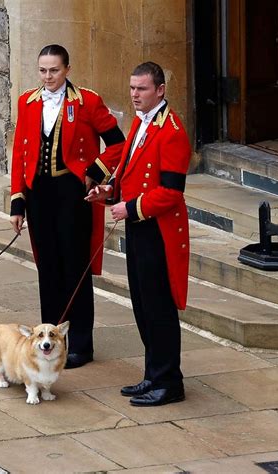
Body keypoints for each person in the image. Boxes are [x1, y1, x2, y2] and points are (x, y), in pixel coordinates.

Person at [10, 44, 125, 369]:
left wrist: (95, 172)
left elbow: (118, 143)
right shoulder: (27, 102)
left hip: (73, 194)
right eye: (43, 70)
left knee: (75, 269)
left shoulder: (87, 101)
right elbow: (20, 152)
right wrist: (17, 201)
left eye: (54, 70)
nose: (48, 77)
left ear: (67, 70)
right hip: (40, 196)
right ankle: (51, 342)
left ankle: (82, 345)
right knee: (48, 268)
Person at [86, 62, 191, 405]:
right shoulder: (139, 123)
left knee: (159, 307)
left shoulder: (172, 130)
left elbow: (172, 192)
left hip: (159, 232)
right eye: (132, 88)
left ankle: (169, 382)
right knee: (143, 305)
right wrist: (109, 193)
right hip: (139, 228)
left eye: (141, 89)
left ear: (160, 90)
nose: (134, 95)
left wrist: (130, 208)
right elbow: (128, 173)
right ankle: (153, 374)